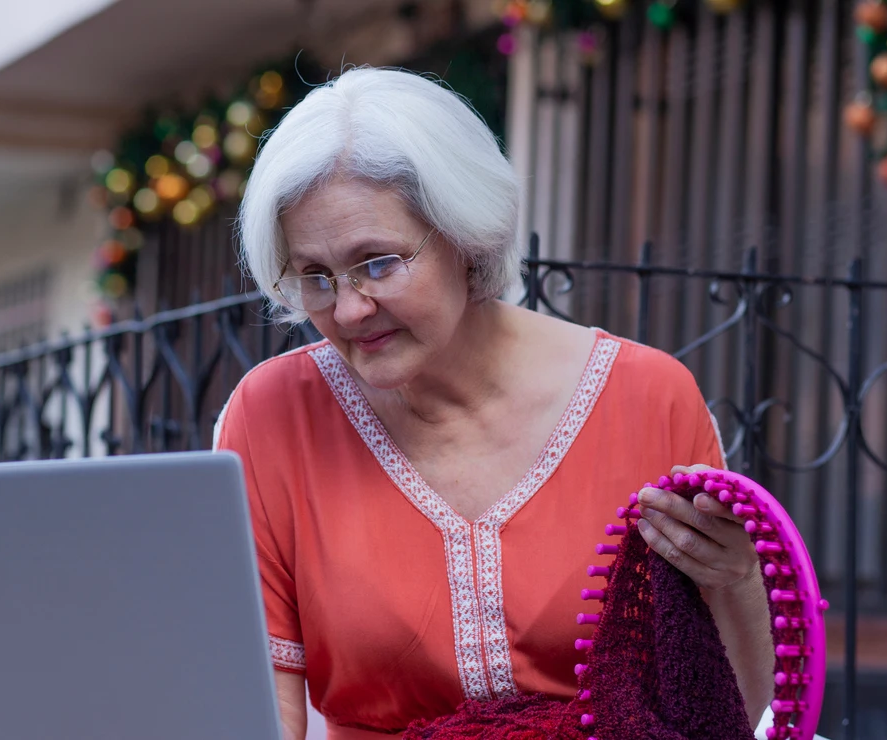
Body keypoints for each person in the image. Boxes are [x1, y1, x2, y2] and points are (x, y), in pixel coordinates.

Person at [214, 67, 774, 740]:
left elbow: (725, 711)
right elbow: (255, 710)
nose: (350, 307)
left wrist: (740, 581)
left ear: (465, 234)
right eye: (315, 276)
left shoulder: (650, 400)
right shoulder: (273, 416)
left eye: (378, 262)